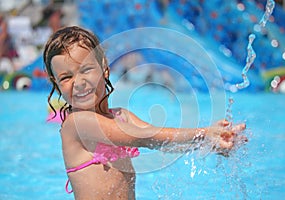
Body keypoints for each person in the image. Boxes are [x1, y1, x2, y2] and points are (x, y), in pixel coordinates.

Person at [43, 26, 246, 199]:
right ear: (56, 84)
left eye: (86, 69)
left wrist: (211, 142)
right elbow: (140, 137)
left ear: (104, 68)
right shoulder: (77, 124)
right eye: (66, 77)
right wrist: (203, 132)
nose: (79, 82)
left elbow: (161, 139)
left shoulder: (122, 116)